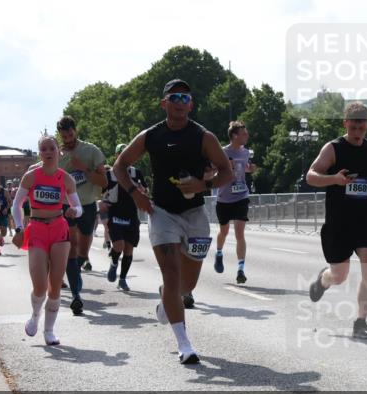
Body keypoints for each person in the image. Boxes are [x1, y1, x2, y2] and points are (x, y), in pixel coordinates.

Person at [113, 79, 234, 365]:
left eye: (185, 98)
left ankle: (168, 300)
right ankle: (184, 344)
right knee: (171, 273)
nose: (180, 102)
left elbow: (227, 172)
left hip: (194, 214)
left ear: (190, 105)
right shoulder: (150, 135)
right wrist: (135, 195)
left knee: (186, 285)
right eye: (174, 97)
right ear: (164, 103)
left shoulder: (204, 137)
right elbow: (119, 166)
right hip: (162, 212)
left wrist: (203, 185)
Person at [306, 102, 367, 339]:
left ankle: (361, 322)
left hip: (365, 219)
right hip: (338, 221)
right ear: (346, 124)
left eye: (362, 127)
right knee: (340, 275)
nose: (358, 132)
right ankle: (323, 280)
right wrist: (335, 179)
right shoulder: (333, 148)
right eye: (354, 127)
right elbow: (311, 176)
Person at [11, 135, 81, 346]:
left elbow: (79, 207)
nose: (48, 152)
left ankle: (49, 331)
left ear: (58, 151)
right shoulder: (31, 176)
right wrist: (19, 227)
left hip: (59, 229)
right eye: (44, 149)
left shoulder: (66, 179)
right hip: (37, 229)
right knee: (40, 286)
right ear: (40, 153)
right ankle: (34, 316)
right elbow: (17, 205)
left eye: (52, 148)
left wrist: (73, 211)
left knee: (55, 286)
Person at [57, 116, 107, 315]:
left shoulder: (91, 151)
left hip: (87, 205)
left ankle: (74, 270)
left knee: (83, 252)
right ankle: (76, 294)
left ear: (75, 131)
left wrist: (83, 169)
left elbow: (103, 181)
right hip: (65, 206)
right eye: (64, 135)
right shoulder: (57, 153)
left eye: (70, 134)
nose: (68, 138)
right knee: (71, 246)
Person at [213, 121, 258, 284]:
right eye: (244, 133)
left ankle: (240, 269)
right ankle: (218, 253)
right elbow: (212, 171)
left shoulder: (246, 152)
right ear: (234, 136)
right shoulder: (222, 152)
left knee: (240, 233)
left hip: (241, 196)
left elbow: (243, 167)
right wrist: (224, 167)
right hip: (224, 198)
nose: (247, 136)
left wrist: (249, 169)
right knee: (224, 232)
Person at [103, 143, 148, 291]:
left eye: (128, 155)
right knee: (119, 245)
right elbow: (103, 194)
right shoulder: (109, 174)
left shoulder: (137, 173)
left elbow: (146, 191)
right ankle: (114, 263)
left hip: (131, 215)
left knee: (129, 249)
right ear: (116, 156)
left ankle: (122, 279)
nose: (126, 158)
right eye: (121, 154)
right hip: (115, 214)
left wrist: (143, 191)